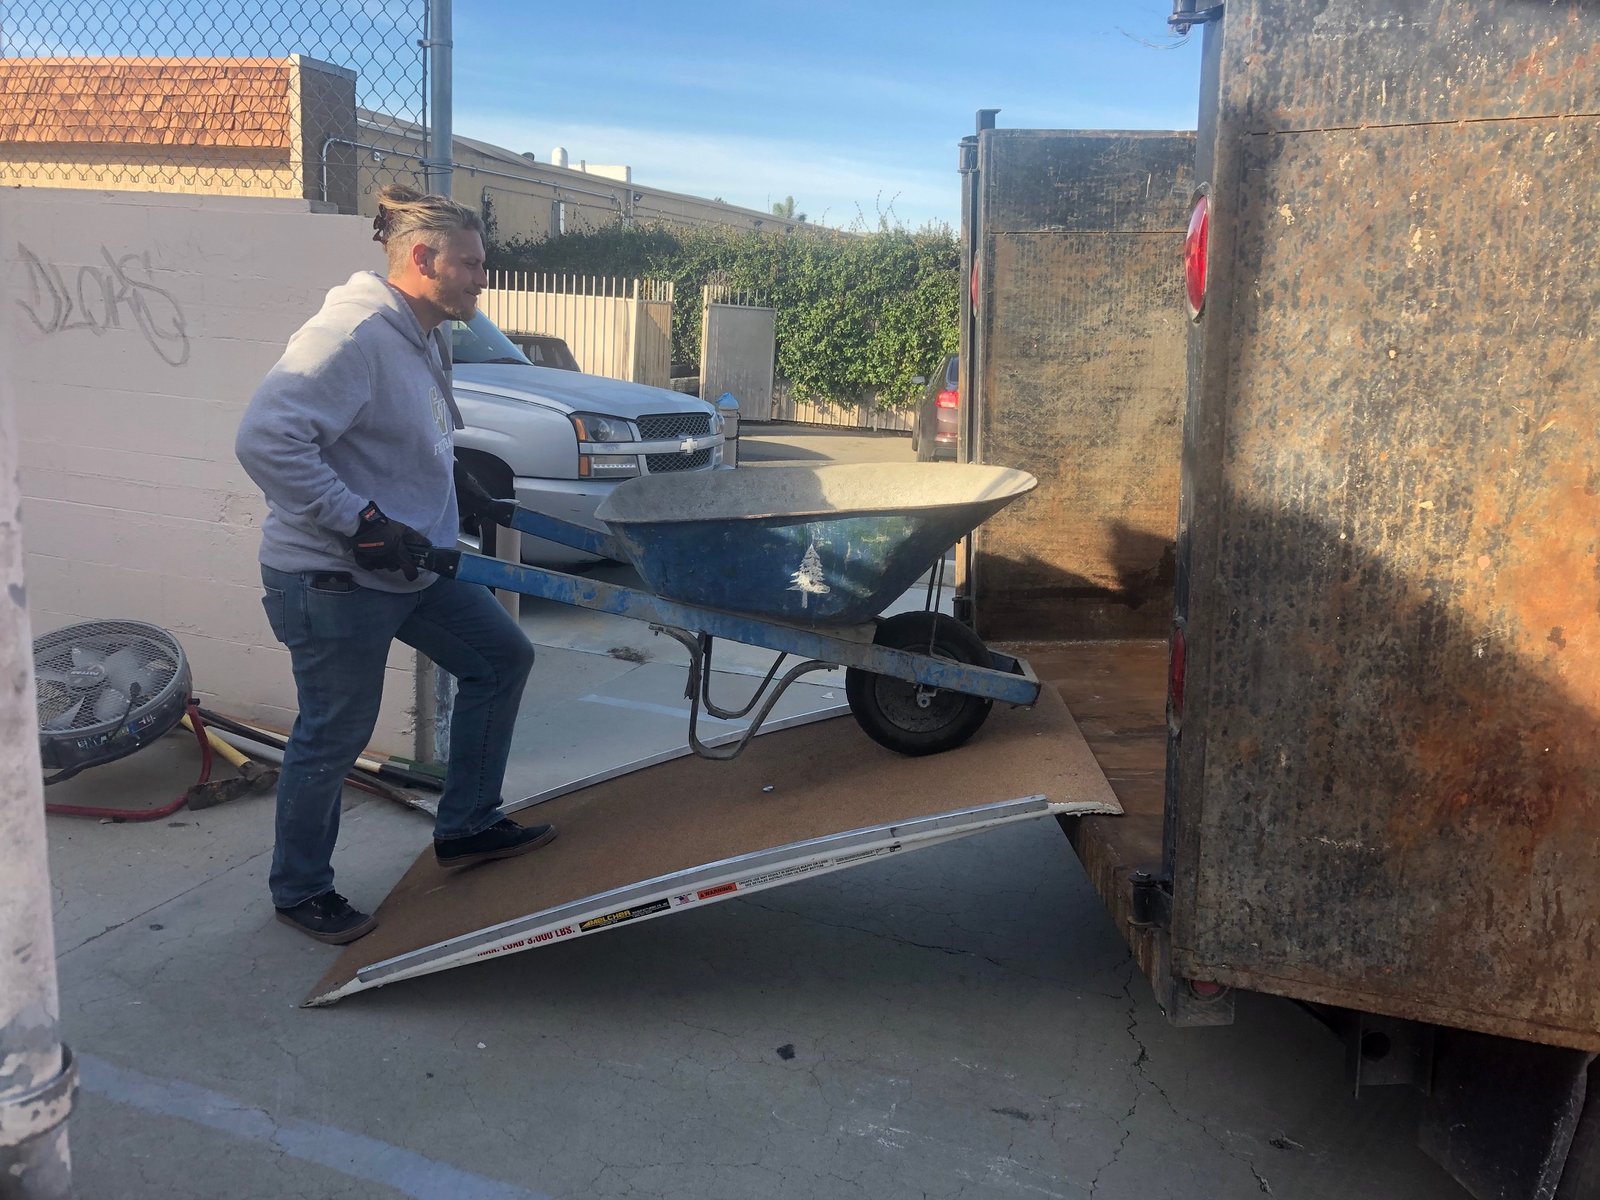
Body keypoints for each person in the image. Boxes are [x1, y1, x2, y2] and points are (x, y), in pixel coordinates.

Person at [235, 183, 555, 946]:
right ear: (422, 259)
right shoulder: (350, 335)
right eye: (470, 264)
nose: (482, 279)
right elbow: (266, 440)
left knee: (501, 658)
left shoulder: (424, 333)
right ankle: (300, 890)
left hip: (409, 568)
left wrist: (457, 480)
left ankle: (467, 825)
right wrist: (361, 522)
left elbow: (410, 429)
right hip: (335, 577)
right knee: (335, 733)